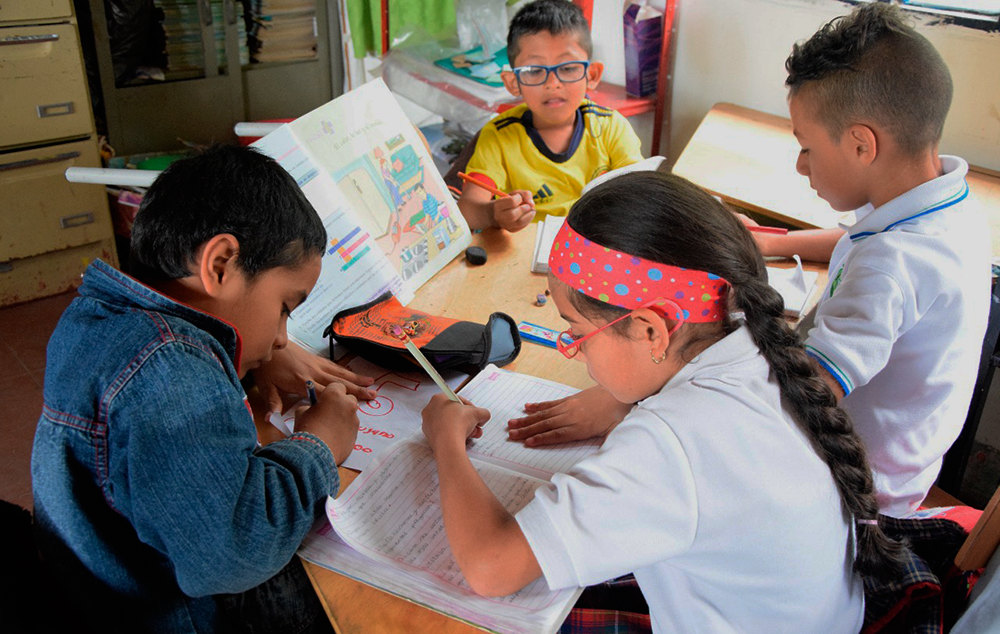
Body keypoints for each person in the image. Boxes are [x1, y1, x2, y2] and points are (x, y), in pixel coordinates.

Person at [422, 171, 905, 633]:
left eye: (577, 334)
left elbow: (491, 567)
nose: (576, 352)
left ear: (652, 330)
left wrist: (447, 441)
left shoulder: (671, 442)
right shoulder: (759, 344)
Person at [32, 145, 364, 633]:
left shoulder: (97, 318)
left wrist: (246, 360)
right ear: (222, 263)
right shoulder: (170, 368)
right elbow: (234, 551)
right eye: (285, 306)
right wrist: (319, 445)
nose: (280, 337)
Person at [740, 3, 991, 515]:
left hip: (850, 492)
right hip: (906, 465)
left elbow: (808, 396)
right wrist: (774, 243)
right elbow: (859, 238)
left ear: (861, 144)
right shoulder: (941, 204)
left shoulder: (890, 265)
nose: (800, 164)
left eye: (806, 146)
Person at [457, 0, 643, 232]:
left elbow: (640, 196)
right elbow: (467, 211)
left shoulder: (612, 128)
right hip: (524, 256)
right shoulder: (498, 136)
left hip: (595, 249)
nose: (552, 84)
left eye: (568, 68)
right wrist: (495, 214)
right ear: (513, 83)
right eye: (534, 71)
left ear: (592, 75)